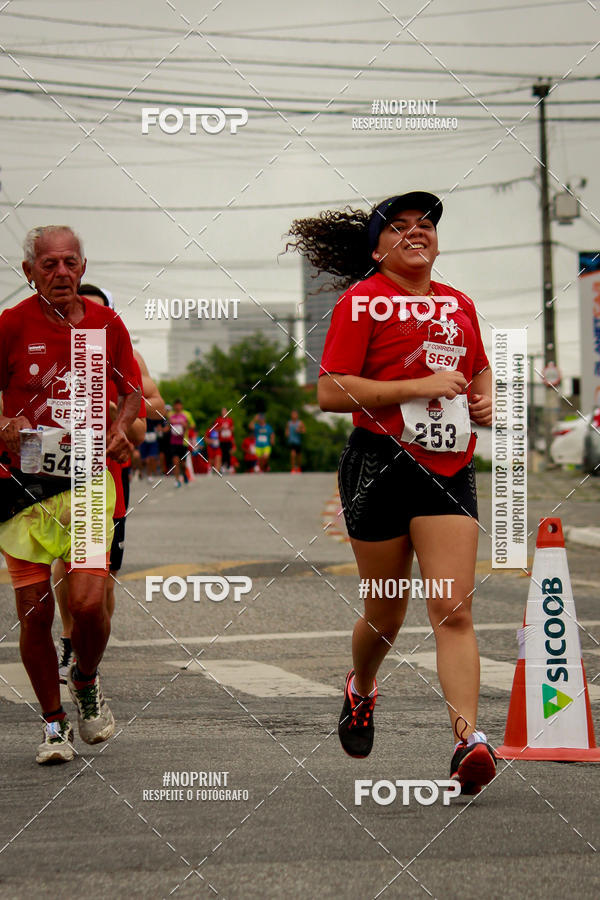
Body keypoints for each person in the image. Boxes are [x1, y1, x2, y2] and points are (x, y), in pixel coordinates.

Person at [288, 192, 496, 795]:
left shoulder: (460, 304)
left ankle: (467, 741)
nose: (416, 232)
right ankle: (361, 687)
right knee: (386, 612)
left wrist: (481, 398)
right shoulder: (362, 302)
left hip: (446, 467)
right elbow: (329, 393)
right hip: (378, 464)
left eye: (425, 224)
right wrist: (419, 383)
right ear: (377, 247)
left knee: (453, 609)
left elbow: (478, 366)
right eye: (399, 227)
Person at [0, 226, 141, 764]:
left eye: (69, 263)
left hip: (85, 477)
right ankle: (53, 724)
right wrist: (5, 424)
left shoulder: (105, 324)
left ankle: (84, 678)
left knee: (85, 602)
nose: (60, 272)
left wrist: (120, 428)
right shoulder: (11, 325)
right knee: (35, 614)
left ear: (83, 267)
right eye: (48, 264)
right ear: (29, 271)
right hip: (22, 488)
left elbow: (130, 390)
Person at [53, 283, 164, 682]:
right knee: (64, 565)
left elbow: (148, 420)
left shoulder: (127, 356)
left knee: (104, 578)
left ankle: (89, 646)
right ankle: (69, 640)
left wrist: (120, 415)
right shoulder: (50, 352)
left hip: (107, 478)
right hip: (57, 474)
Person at [169, 399, 192, 486]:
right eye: (176, 405)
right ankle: (177, 480)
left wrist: (184, 425)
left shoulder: (184, 416)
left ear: (181, 406)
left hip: (183, 443)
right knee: (175, 462)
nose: (177, 407)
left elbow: (188, 427)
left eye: (179, 405)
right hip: (173, 442)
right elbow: (168, 428)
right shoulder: (171, 416)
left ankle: (184, 474)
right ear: (174, 406)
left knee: (182, 463)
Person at [216, 407, 235, 473]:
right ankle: (224, 466)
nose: (224, 413)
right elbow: (216, 429)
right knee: (223, 453)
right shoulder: (218, 420)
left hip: (228, 439)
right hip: (222, 440)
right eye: (223, 411)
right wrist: (222, 428)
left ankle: (229, 466)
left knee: (229, 452)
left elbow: (233, 428)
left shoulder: (230, 420)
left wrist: (229, 428)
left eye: (225, 411)